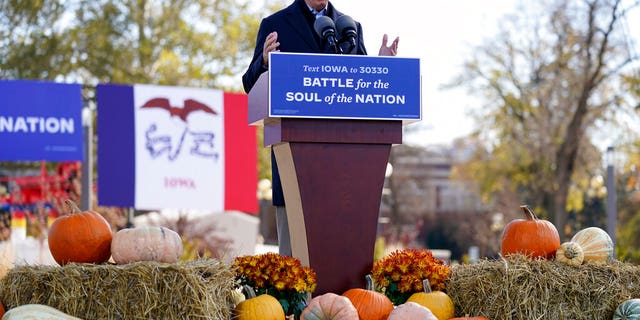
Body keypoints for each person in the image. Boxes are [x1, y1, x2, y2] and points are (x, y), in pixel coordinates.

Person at [242, 0, 399, 256]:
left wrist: (383, 66)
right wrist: (264, 62)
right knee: (295, 271)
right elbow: (250, 84)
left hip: (345, 172)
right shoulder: (276, 25)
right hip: (294, 164)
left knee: (341, 263)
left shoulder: (349, 26)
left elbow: (363, 83)